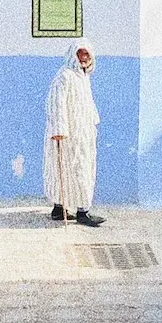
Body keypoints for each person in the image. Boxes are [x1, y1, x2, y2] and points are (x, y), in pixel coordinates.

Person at [43, 40, 105, 227]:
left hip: (83, 133)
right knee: (69, 170)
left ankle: (61, 207)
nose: (84, 58)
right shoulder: (65, 77)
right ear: (73, 55)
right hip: (68, 135)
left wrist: (93, 121)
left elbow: (86, 103)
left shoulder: (82, 77)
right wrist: (59, 129)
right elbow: (56, 103)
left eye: (87, 54)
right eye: (81, 54)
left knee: (80, 169)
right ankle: (81, 211)